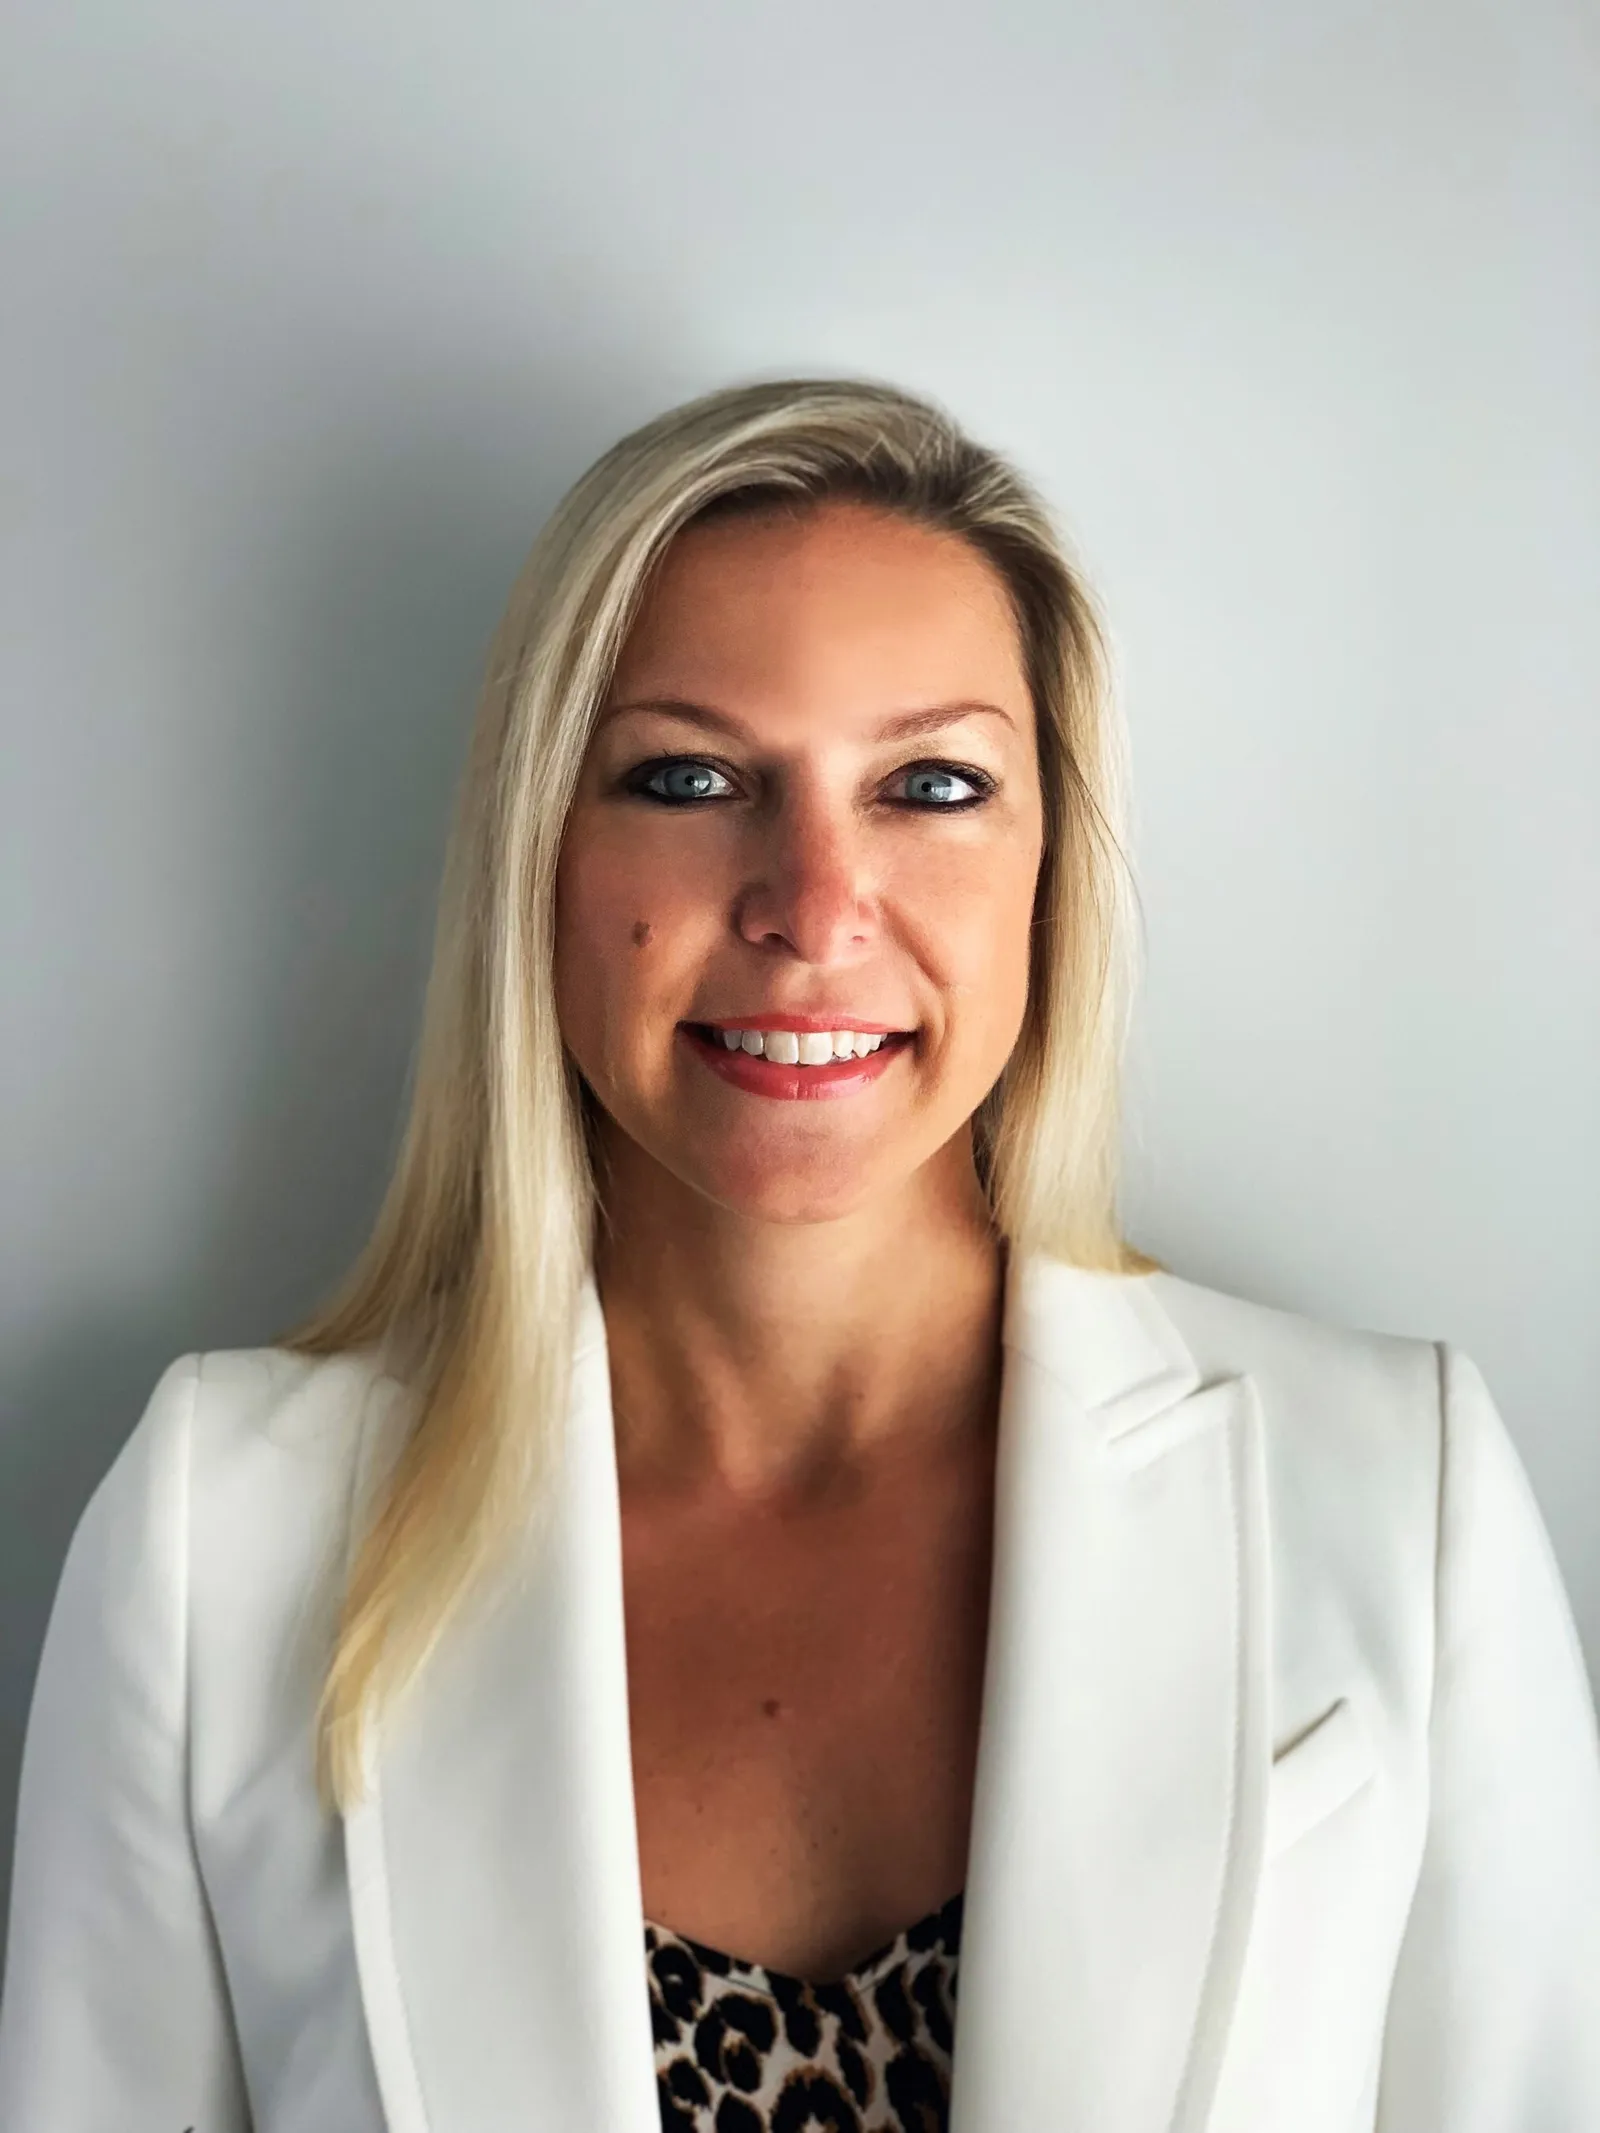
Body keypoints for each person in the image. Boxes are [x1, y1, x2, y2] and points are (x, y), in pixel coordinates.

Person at [2, 376, 1598, 2133]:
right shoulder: (217, 1537)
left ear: (1051, 869)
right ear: (539, 849)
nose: (815, 902)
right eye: (689, 778)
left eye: (931, 783)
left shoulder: (1392, 1490)